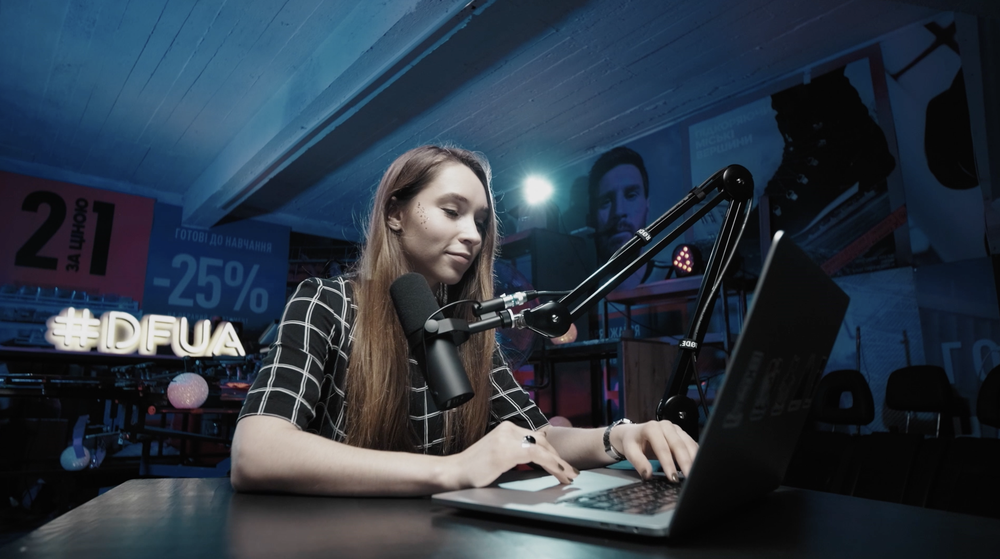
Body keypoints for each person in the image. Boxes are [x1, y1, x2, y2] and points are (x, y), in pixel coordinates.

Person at [231, 145, 698, 497]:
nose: (472, 235)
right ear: (395, 213)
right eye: (452, 212)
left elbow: (538, 436)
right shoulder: (325, 302)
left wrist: (621, 435)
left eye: (480, 221)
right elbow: (256, 451)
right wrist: (452, 471)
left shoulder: (466, 330)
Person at [588, 146, 668, 291]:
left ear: (647, 207)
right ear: (592, 217)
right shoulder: (582, 295)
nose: (618, 211)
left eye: (631, 196)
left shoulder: (672, 278)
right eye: (606, 202)